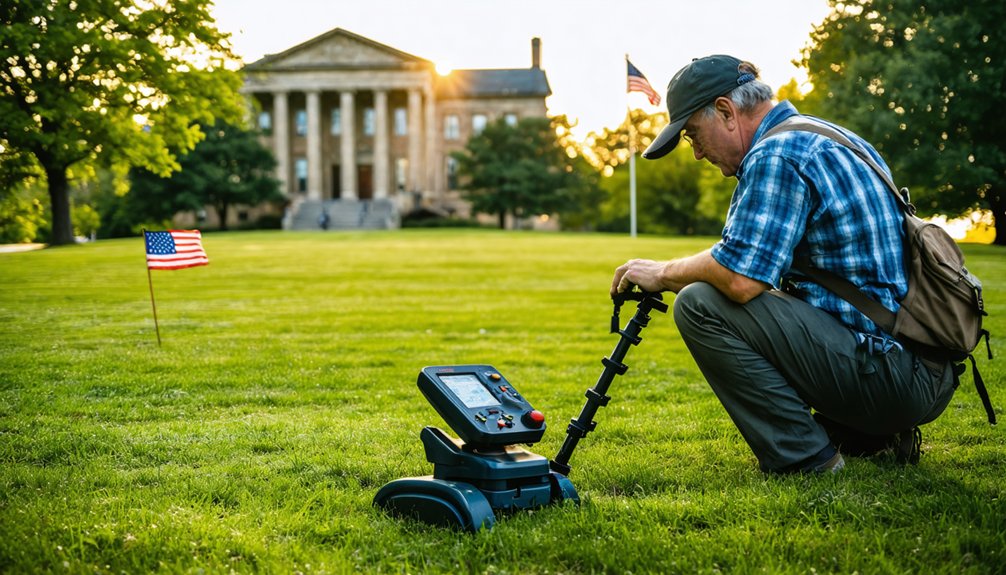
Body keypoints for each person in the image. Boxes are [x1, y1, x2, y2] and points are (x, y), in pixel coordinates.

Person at [610, 55, 957, 474]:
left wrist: (662, 273)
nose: (698, 153)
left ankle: (807, 459)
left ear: (725, 111)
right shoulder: (828, 135)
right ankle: (867, 435)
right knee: (719, 289)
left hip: (894, 376)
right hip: (923, 368)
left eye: (693, 135)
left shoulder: (777, 155)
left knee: (698, 304)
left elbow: (739, 279)